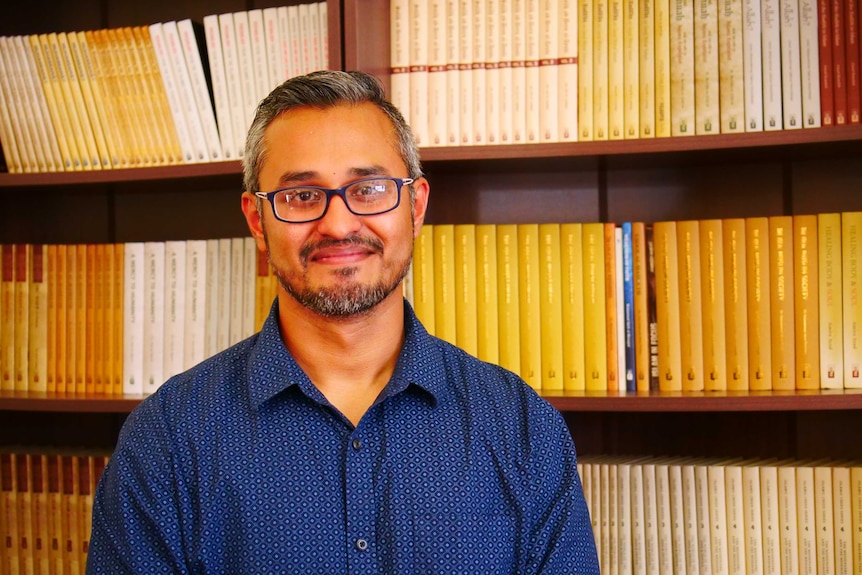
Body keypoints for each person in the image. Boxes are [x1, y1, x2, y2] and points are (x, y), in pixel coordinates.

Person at [87, 70, 599, 574]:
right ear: (255, 221)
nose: (337, 224)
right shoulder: (168, 440)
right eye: (301, 196)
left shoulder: (523, 428)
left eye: (370, 188)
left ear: (416, 206)